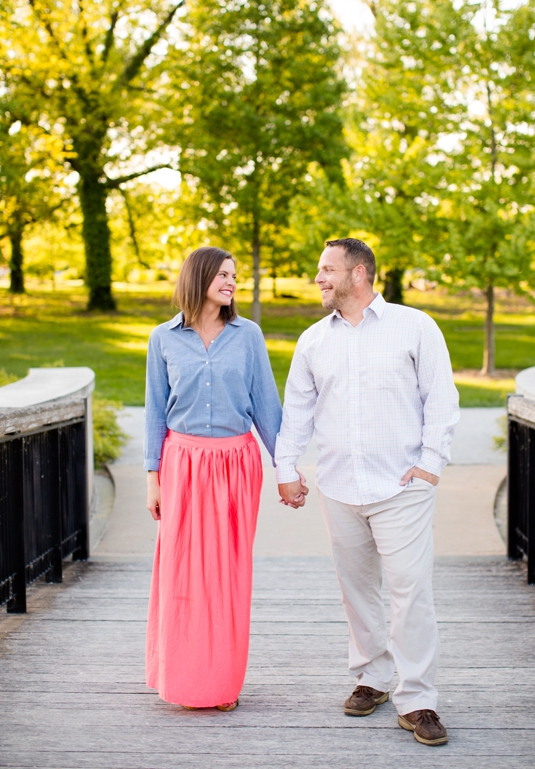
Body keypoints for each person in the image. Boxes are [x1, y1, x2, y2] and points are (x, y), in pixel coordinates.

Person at [274, 238, 459, 747]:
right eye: (319, 269)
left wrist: (428, 467)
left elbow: (441, 398)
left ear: (359, 274)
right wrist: (286, 467)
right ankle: (373, 678)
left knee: (410, 590)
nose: (319, 278)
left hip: (402, 486)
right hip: (339, 487)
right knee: (357, 591)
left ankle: (418, 698)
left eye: (327, 270)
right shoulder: (314, 340)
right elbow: (298, 412)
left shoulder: (414, 327)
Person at [144, 245, 287, 712]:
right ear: (199, 276)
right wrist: (153, 478)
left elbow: (267, 408)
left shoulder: (248, 336)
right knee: (181, 573)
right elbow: (154, 412)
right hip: (181, 464)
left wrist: (287, 470)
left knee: (227, 577)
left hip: (235, 466)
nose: (231, 282)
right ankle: (183, 681)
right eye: (223, 274)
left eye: (234, 275)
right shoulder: (162, 339)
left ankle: (221, 684)